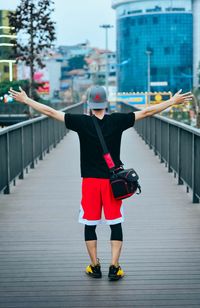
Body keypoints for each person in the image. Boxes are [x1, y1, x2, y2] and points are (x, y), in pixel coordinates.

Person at [9, 86, 193, 281]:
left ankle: (95, 266)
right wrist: (171, 102)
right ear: (107, 103)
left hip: (90, 182)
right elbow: (147, 111)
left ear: (89, 104)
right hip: (113, 183)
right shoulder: (118, 121)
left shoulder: (81, 122)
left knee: (90, 224)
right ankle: (114, 267)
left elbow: (51, 112)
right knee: (115, 223)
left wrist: (27, 100)